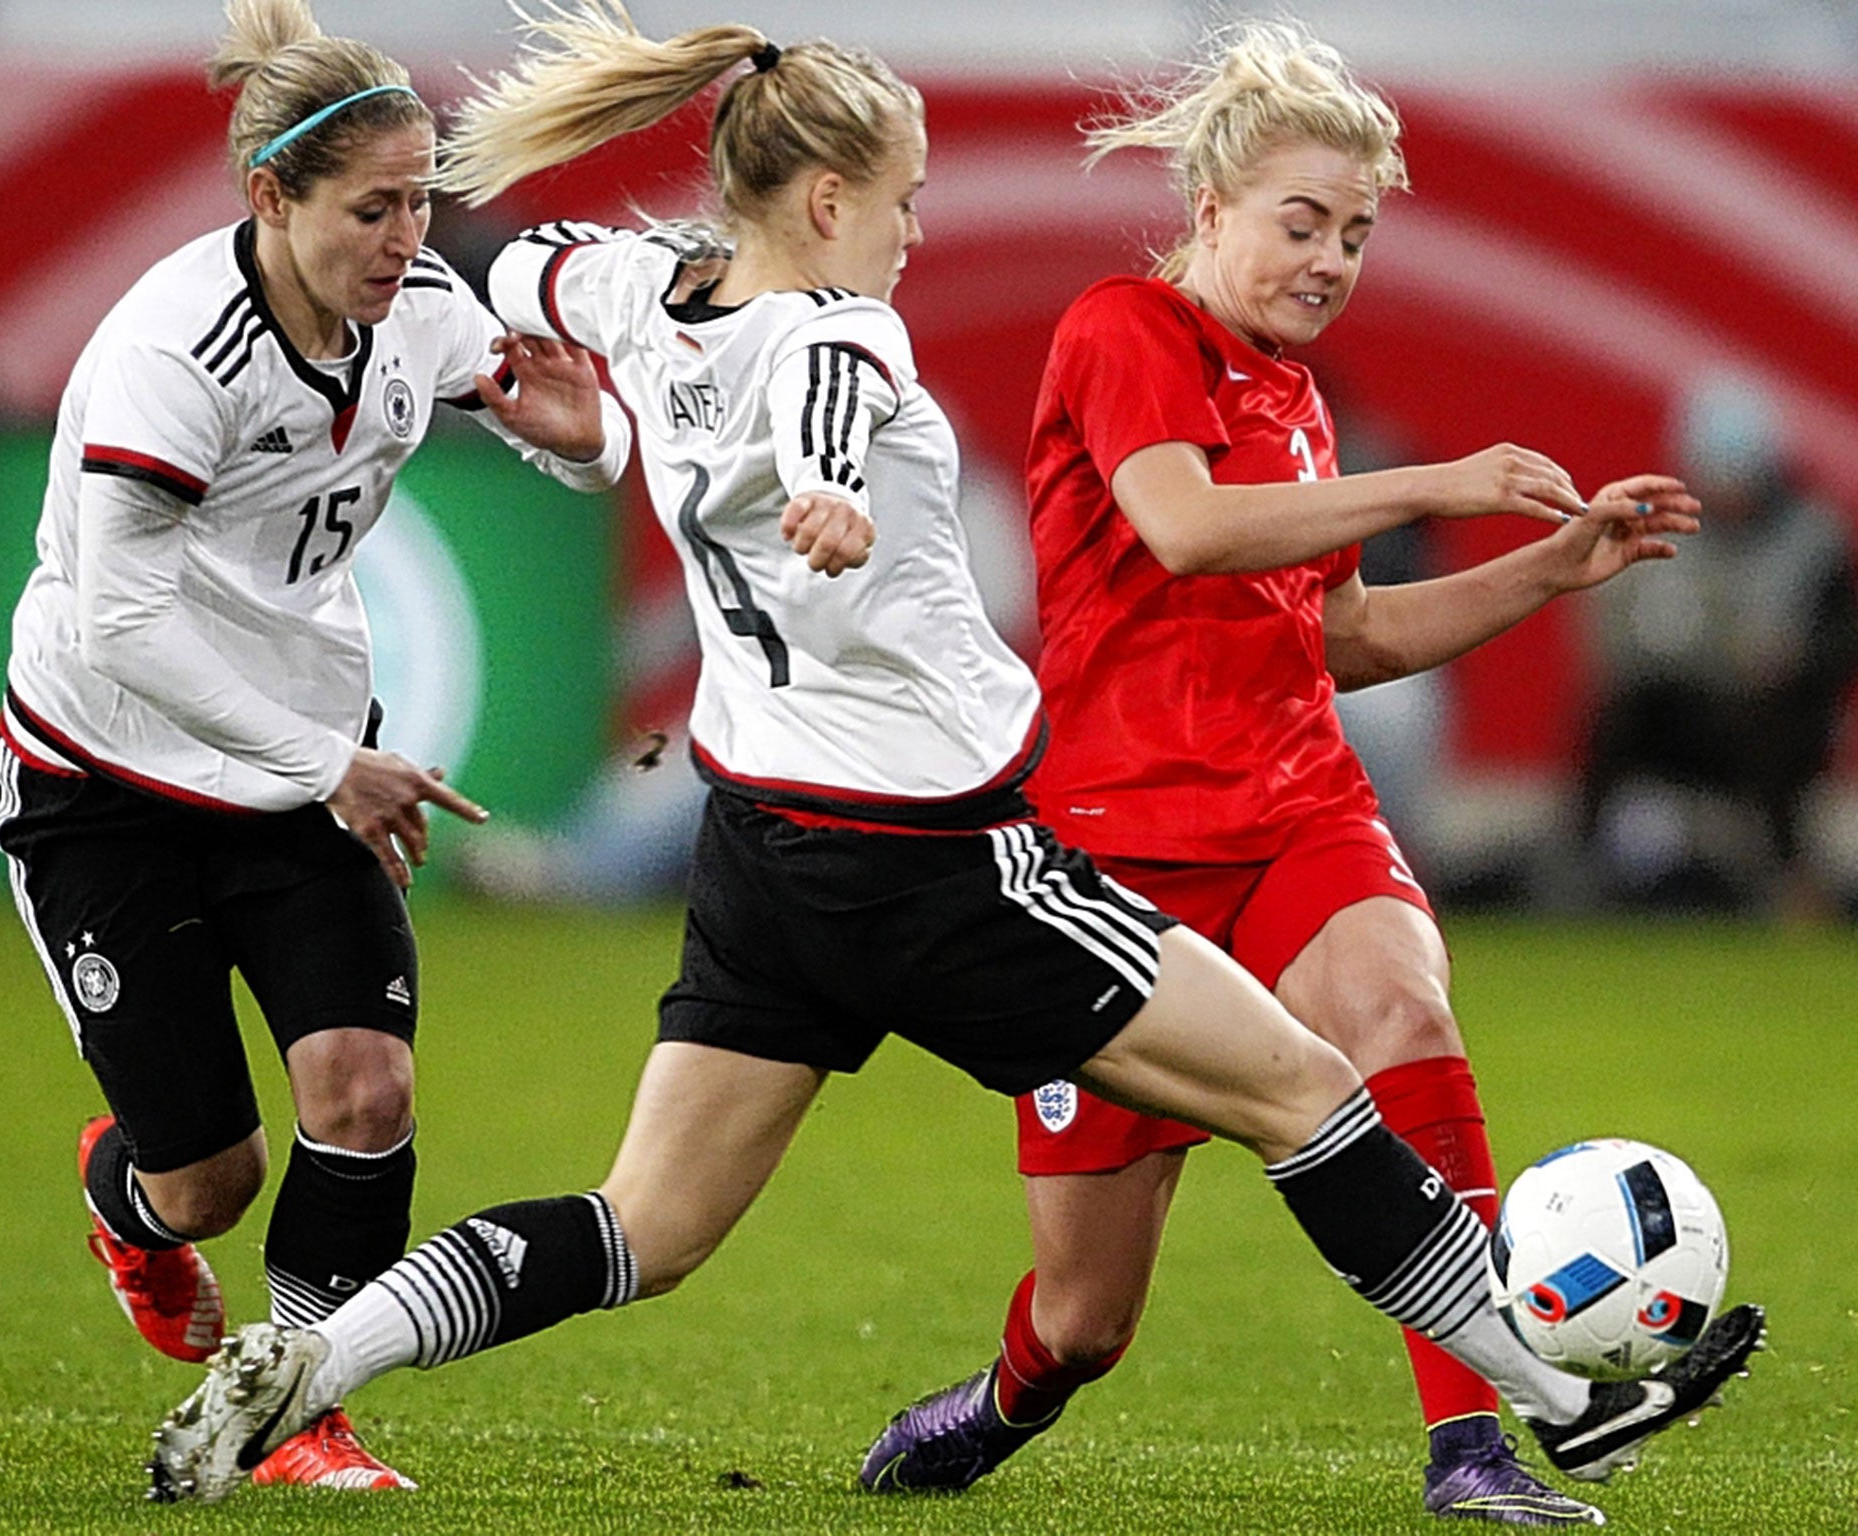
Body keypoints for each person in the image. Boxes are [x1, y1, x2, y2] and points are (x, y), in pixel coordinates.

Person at [142, 3, 1759, 1508]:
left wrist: (581, 418)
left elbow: (503, 284)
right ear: (831, 199)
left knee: (643, 1225)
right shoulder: (853, 337)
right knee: (1307, 1091)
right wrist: (829, 491)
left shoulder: (633, 284)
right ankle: (1555, 1388)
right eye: (905, 201)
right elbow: (834, 396)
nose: (917, 233)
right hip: (941, 860)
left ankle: (318, 1355)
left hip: (758, 847)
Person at [858, 20, 1714, 1527]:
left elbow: (1349, 636)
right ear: (1210, 211)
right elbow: (1186, 528)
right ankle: (1004, 1399)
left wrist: (1552, 568)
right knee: (1085, 1320)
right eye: (1301, 222)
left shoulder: (1293, 396)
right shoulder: (1122, 329)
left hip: (1299, 813)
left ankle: (1477, 1450)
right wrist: (1440, 481)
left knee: (1403, 1012)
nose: (1330, 259)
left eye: (1358, 234)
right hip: (1115, 864)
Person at [0, 0, 629, 1493]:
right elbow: (113, 627)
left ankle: (296, 1409)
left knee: (365, 1090)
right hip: (108, 777)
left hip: (299, 767)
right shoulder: (170, 353)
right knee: (207, 1179)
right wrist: (325, 761)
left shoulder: (413, 303)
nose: (408, 236)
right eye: (371, 206)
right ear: (268, 197)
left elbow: (550, 426)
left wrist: (584, 439)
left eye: (421, 199)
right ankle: (127, 1203)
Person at [1579, 370, 1858, 919]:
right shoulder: (1658, 525)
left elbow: (1842, 640)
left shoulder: (1813, 537)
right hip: (1679, 705)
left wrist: (1794, 661)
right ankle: (1582, 871)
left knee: (1781, 727)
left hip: (1772, 714)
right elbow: (1614, 629)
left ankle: (1788, 884)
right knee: (1621, 719)